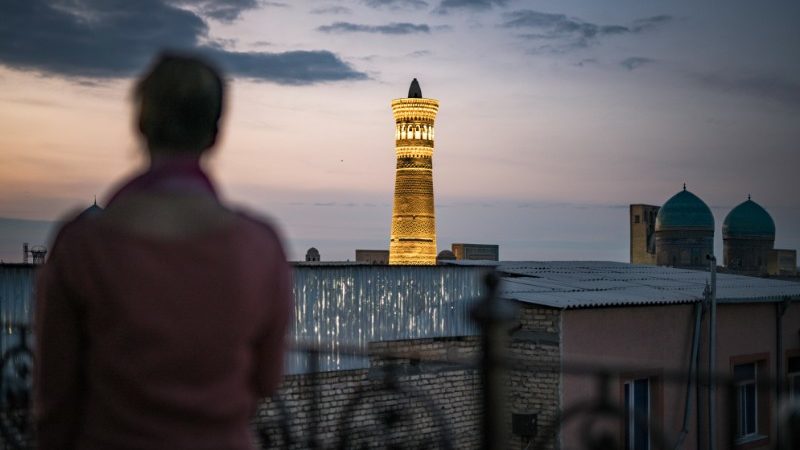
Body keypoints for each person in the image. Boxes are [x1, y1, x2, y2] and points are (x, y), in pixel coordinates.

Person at [33, 53, 293, 450]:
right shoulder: (261, 245)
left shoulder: (82, 244)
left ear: (141, 125)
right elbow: (266, 380)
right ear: (215, 132)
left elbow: (55, 395)